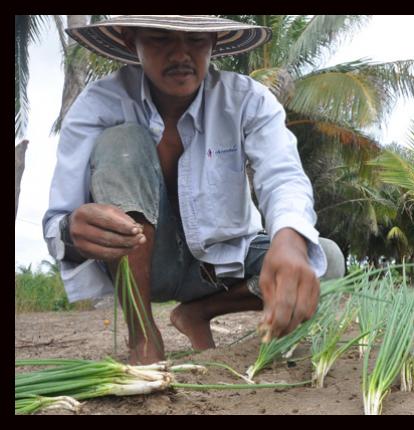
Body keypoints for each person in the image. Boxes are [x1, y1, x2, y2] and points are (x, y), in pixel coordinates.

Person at [43, 15, 345, 365]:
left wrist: (289, 241)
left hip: (224, 262)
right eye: (160, 39)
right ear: (130, 41)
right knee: (122, 140)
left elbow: (283, 175)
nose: (180, 55)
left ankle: (198, 312)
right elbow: (57, 222)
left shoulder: (247, 100)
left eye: (196, 41)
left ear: (214, 42)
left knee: (328, 259)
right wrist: (72, 231)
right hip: (146, 265)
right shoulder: (100, 105)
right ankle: (142, 334)